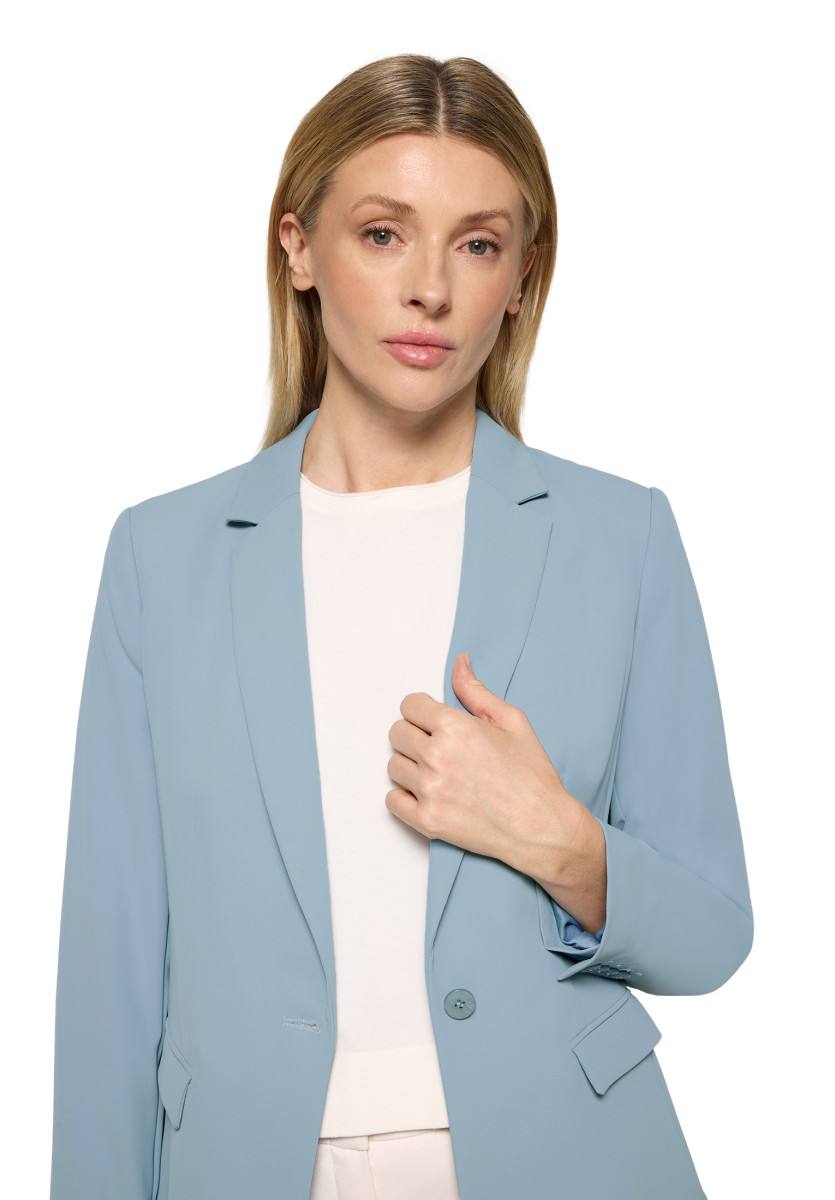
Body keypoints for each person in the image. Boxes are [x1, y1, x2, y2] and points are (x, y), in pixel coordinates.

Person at [49, 54, 754, 1200]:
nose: (430, 287)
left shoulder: (618, 537)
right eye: (383, 233)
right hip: (248, 1164)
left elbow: (713, 932)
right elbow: (109, 973)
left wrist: (559, 840)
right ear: (297, 248)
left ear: (520, 278)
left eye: (476, 244)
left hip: (567, 1161)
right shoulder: (162, 557)